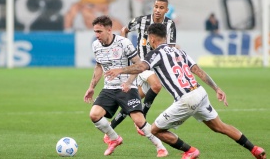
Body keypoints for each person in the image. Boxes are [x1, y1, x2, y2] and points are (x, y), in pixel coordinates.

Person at [105, 23, 266, 159]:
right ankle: (255, 149)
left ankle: (190, 151)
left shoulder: (156, 53)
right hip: (200, 92)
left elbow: (141, 67)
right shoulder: (180, 52)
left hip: (186, 99)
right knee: (219, 126)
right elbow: (199, 71)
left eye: (149, 38)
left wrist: (120, 70)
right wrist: (216, 88)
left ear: (152, 39)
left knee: (155, 130)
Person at [83, 16, 168, 157]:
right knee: (94, 114)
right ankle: (114, 139)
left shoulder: (124, 43)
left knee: (139, 120)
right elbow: (99, 66)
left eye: (99, 31)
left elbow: (139, 65)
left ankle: (160, 147)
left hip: (127, 88)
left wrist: (129, 82)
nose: (96, 35)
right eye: (95, 32)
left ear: (109, 30)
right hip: (109, 88)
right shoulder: (96, 45)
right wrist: (91, 87)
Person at [108, 0, 177, 135]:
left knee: (133, 102)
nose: (157, 10)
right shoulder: (141, 21)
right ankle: (142, 121)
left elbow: (171, 47)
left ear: (166, 10)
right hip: (142, 64)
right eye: (156, 6)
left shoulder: (170, 25)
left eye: (161, 8)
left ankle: (110, 128)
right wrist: (125, 49)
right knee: (156, 86)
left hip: (156, 67)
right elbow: (124, 29)